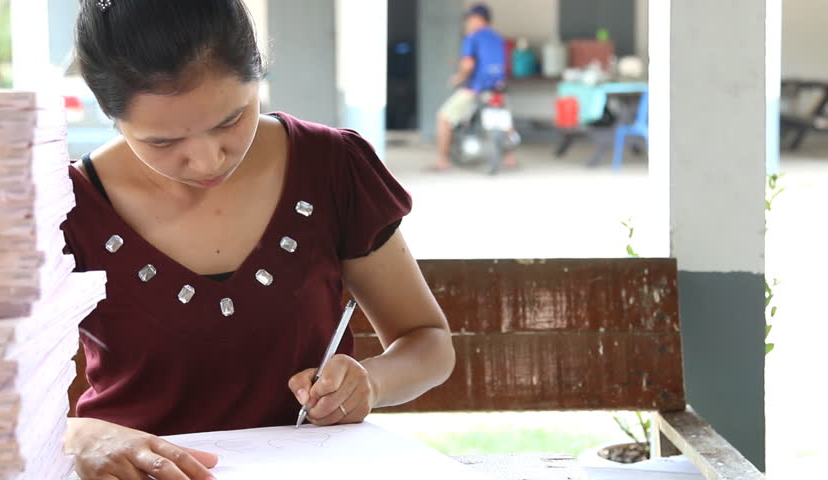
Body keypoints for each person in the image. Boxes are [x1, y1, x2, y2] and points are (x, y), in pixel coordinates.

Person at [60, 1, 455, 479]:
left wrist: (370, 382)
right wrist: (77, 435)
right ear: (110, 114)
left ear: (258, 75)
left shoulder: (330, 167)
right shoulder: (65, 206)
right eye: (162, 142)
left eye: (230, 119)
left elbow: (427, 341)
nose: (208, 162)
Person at [431, 3, 515, 171]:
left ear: (478, 19)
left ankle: (442, 160)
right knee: (505, 121)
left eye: (469, 19)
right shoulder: (498, 38)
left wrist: (459, 77)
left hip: (475, 88)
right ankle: (509, 157)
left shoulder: (472, 37)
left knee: (443, 118)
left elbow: (468, 64)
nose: (468, 22)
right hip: (497, 87)